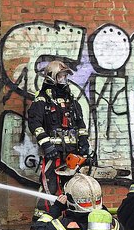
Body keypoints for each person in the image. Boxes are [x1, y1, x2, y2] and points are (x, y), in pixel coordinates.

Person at [27, 60, 90, 219]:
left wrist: (83, 142)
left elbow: (80, 124)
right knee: (50, 185)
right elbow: (35, 123)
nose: (64, 79)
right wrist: (46, 145)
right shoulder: (42, 100)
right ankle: (43, 217)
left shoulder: (71, 100)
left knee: (72, 184)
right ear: (52, 77)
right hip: (52, 153)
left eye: (65, 76)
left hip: (71, 153)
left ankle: (71, 215)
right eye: (61, 76)